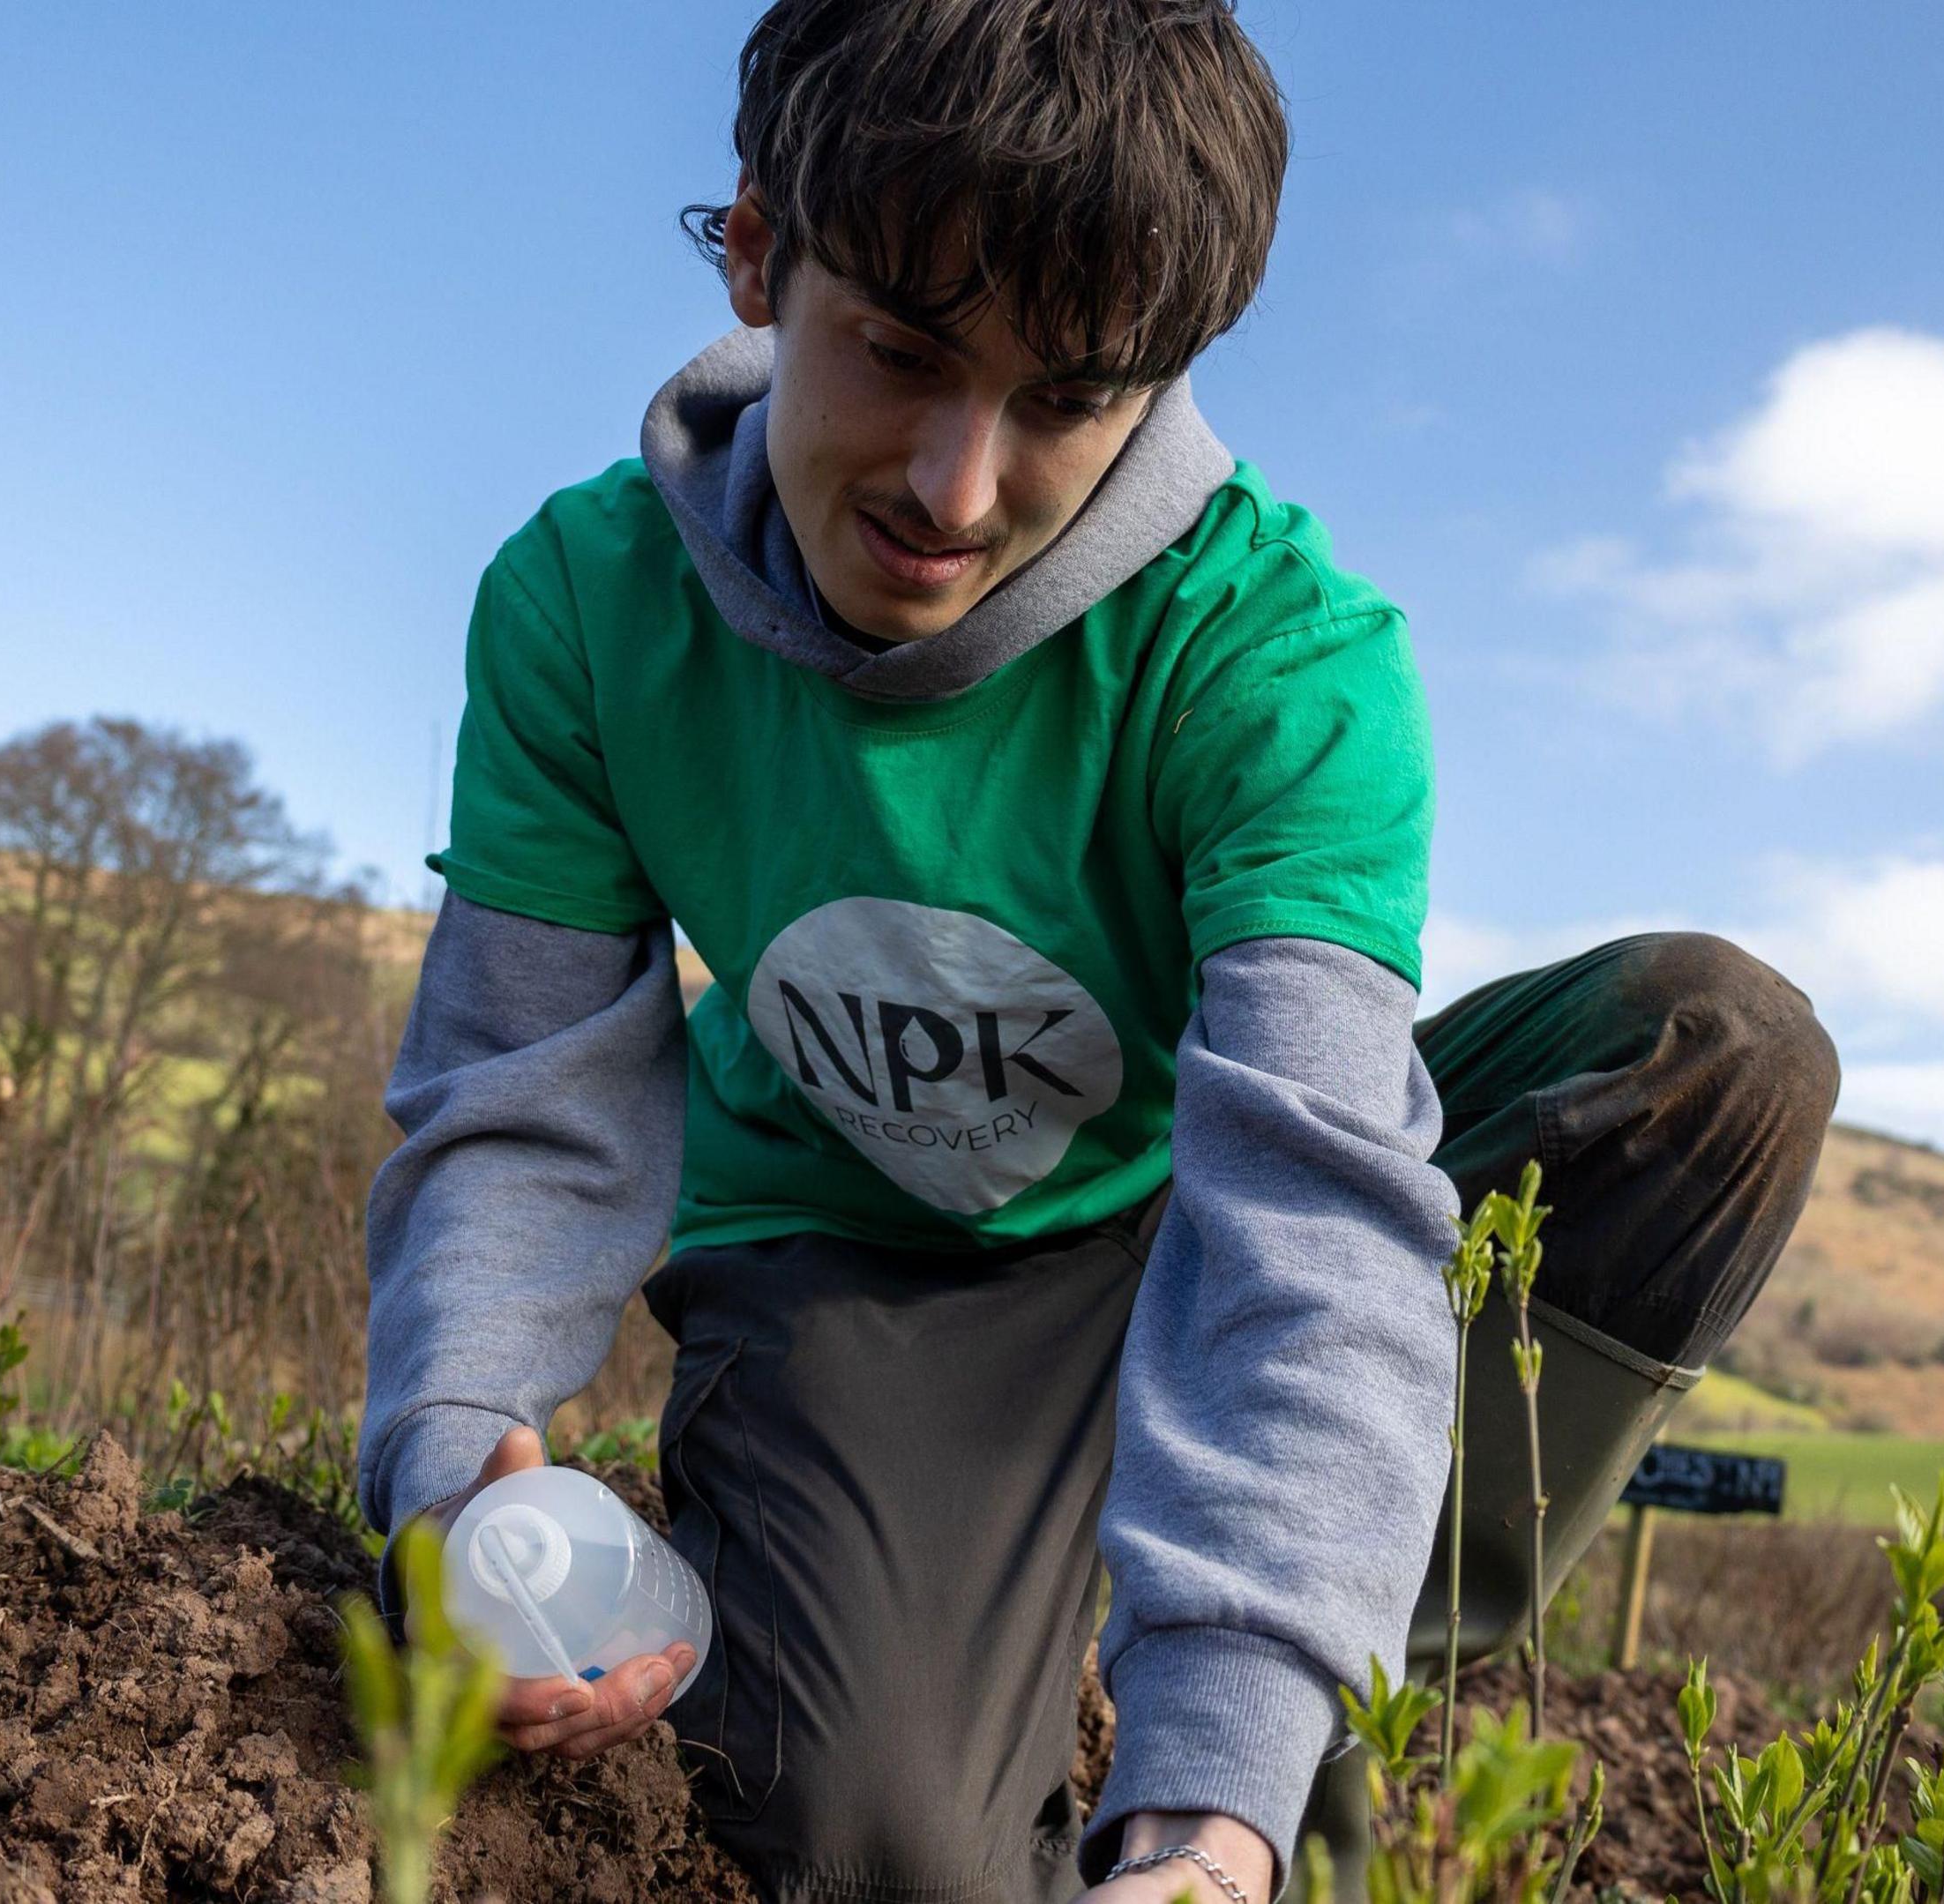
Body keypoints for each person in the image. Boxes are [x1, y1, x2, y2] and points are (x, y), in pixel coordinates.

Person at [361, 4, 1841, 1899]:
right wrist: (456, 1453)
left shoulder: (1281, 659)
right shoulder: (582, 605)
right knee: (877, 1840)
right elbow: (522, 1104)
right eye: (901, 353)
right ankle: (1023, 1611)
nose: (955, 492)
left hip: (1210, 1183)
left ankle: (1288, 1701)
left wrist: (1212, 1813)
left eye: (1067, 399)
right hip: (871, 1248)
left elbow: (1307, 1196)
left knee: (1716, 1057)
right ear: (755, 251)